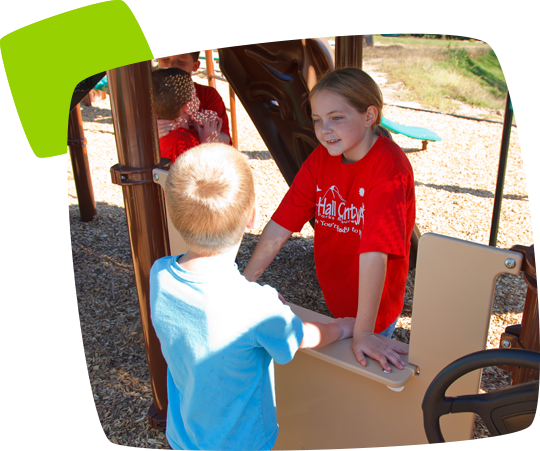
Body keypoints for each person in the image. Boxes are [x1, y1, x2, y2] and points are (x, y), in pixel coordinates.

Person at [150, 143, 355, 451]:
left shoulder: (160, 275)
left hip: (185, 435)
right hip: (242, 444)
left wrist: (268, 309)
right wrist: (341, 327)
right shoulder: (255, 306)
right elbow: (299, 337)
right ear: (253, 217)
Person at [243, 67, 415, 373]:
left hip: (375, 306)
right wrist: (245, 282)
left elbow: (376, 253)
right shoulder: (322, 158)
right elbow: (283, 222)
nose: (325, 130)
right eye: (318, 120)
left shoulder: (389, 169)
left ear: (369, 115)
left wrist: (364, 332)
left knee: (365, 373)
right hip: (338, 290)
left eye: (337, 118)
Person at [157, 44, 231, 145]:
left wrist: (210, 137)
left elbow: (226, 140)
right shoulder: (150, 94)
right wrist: (148, 134)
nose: (172, 65)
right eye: (165, 59)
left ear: (195, 66)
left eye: (181, 61)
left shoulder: (208, 95)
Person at [152, 67, 201, 163]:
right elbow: (200, 173)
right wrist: (206, 143)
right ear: (188, 105)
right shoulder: (186, 141)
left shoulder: (155, 136)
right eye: (194, 94)